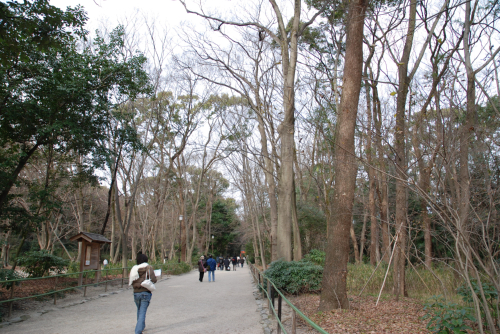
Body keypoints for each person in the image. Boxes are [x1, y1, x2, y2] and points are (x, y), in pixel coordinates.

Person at [129, 253, 157, 334]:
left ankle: (141, 326)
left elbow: (132, 281)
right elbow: (154, 280)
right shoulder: (148, 268)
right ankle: (138, 331)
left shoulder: (134, 269)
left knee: (139, 310)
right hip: (145, 292)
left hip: (136, 293)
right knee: (142, 312)